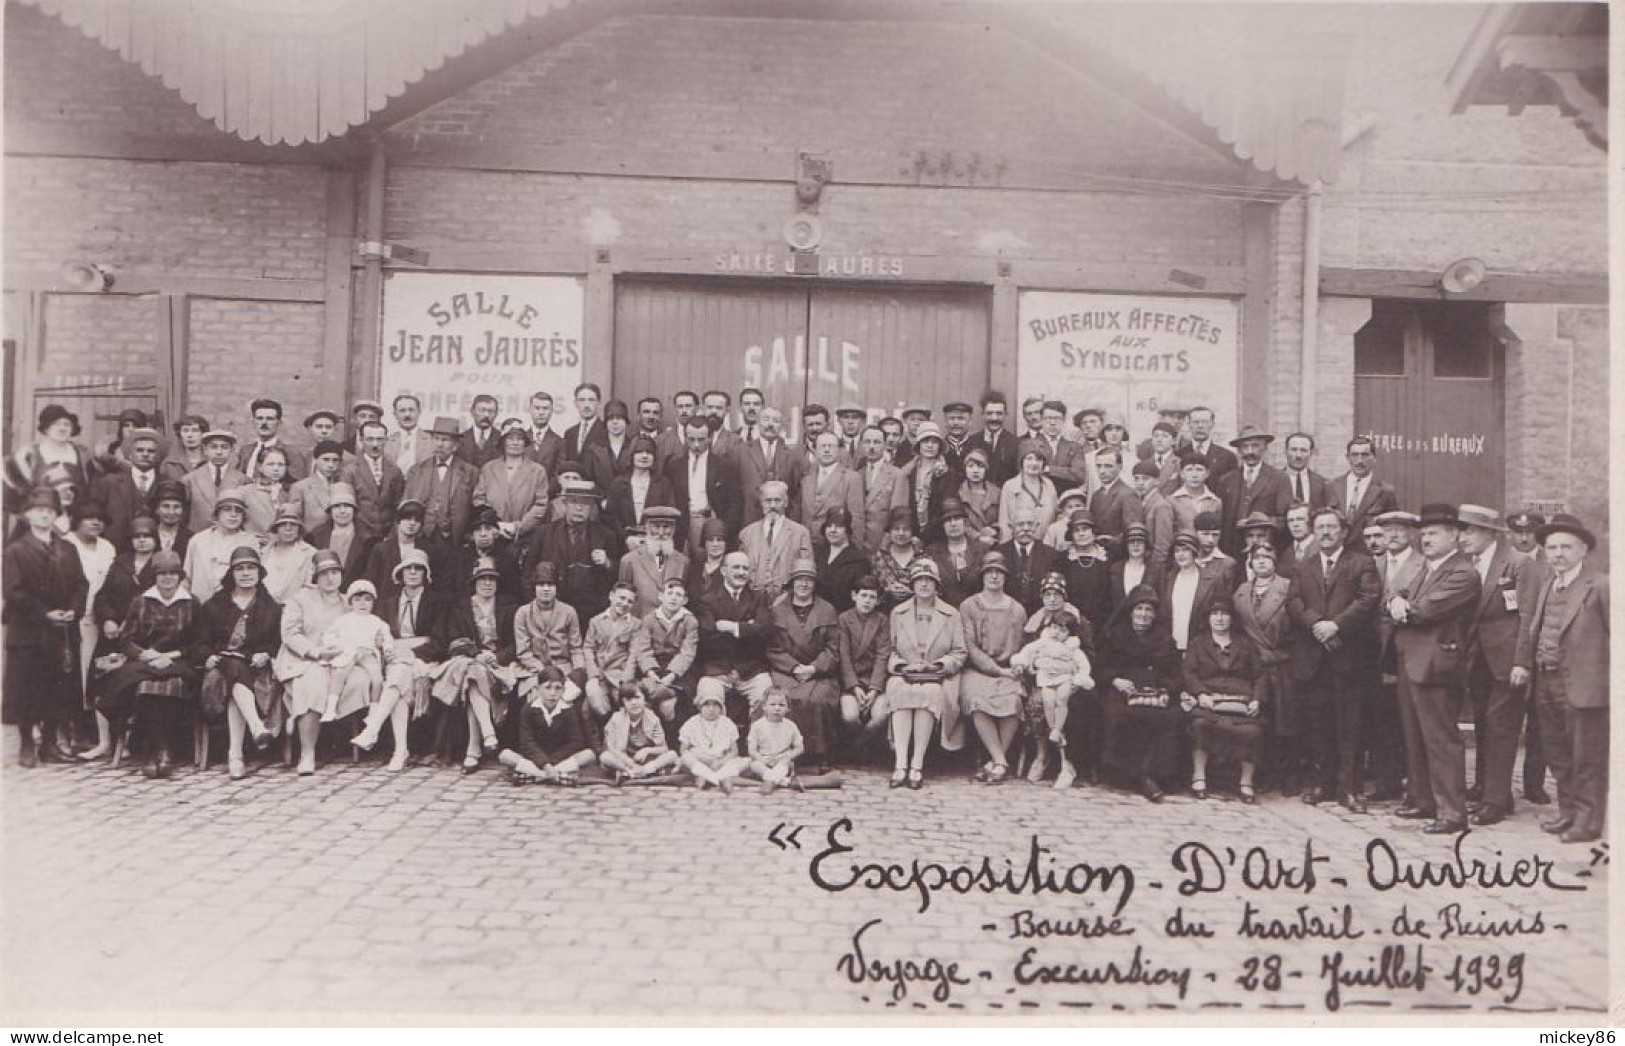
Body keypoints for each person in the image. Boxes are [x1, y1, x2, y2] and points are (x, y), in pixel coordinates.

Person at [1511, 513, 1608, 844]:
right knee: (1558, 754)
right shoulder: (1548, 584)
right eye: (1552, 548)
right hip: (1546, 681)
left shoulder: (1601, 586)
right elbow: (1535, 629)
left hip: (1584, 687)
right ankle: (1567, 812)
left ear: (1583, 549)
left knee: (1587, 757)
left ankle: (1588, 821)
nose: (1558, 554)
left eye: (1566, 547)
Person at [1455, 505, 1536, 826]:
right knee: (1484, 725)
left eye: (1469, 531)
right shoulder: (1468, 564)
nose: (1463, 537)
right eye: (1461, 531)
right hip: (1479, 662)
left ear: (1490, 533)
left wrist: (1521, 662)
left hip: (1507, 662)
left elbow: (1529, 616)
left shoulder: (1519, 564)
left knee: (1502, 728)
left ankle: (1496, 801)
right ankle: (1486, 786)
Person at [1297, 507, 1382, 814]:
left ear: (1343, 532)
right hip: (1315, 657)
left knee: (1351, 724)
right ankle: (1323, 783)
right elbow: (1295, 601)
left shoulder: (1361, 562)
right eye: (1320, 527)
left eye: (1332, 527)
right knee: (1319, 723)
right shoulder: (1305, 565)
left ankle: (1350, 788)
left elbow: (1367, 598)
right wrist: (1318, 625)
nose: (1326, 533)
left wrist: (1336, 626)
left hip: (1350, 656)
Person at [96, 548, 199, 779]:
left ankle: (156, 751)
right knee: (144, 685)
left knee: (165, 684)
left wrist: (169, 656)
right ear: (155, 576)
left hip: (178, 662)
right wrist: (145, 654)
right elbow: (126, 640)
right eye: (162, 573)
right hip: (144, 661)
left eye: (173, 573)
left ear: (180, 576)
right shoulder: (140, 602)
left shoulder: (192, 603)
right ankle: (161, 751)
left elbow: (199, 644)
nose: (167, 578)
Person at [4, 487, 88, 766]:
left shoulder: (68, 548)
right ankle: (27, 743)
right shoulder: (16, 550)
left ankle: (50, 743)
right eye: (39, 510)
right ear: (28, 515)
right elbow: (13, 592)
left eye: (50, 511)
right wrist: (44, 613)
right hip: (29, 630)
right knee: (25, 687)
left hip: (61, 630)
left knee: (58, 686)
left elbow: (80, 584)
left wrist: (73, 611)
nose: (44, 515)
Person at [1232, 544, 1313, 796]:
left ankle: (1288, 775)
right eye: (1257, 558)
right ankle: (1261, 773)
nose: (1262, 562)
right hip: (1254, 663)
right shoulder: (1242, 591)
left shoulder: (1287, 587)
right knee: (1258, 718)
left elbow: (1298, 626)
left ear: (1275, 561)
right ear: (1250, 563)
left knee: (1285, 722)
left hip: (1281, 662)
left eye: (1267, 557)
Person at [882, 558, 967, 789]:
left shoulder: (951, 614)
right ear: (912, 584)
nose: (924, 585)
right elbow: (889, 649)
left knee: (929, 694)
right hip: (905, 673)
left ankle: (917, 764)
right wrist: (901, 666)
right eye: (919, 579)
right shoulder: (898, 613)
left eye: (929, 580)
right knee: (898, 690)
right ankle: (900, 763)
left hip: (937, 676)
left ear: (937, 585)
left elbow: (960, 652)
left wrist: (938, 665)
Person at [352, 549, 438, 773]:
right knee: (398, 684)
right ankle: (400, 750)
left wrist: (411, 654)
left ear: (425, 574)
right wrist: (383, 645)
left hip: (422, 660)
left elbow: (441, 641)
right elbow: (374, 634)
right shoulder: (387, 604)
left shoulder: (436, 602)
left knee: (398, 676)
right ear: (399, 573)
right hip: (392, 661)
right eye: (408, 568)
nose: (412, 572)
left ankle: (375, 730)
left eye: (418, 568)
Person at [1096, 585, 1184, 802]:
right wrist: (1115, 680)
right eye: (1139, 609)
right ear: (1130, 611)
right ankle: (1126, 774)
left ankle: (1152, 774)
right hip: (1123, 689)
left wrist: (1166, 690)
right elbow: (1100, 667)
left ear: (1155, 614)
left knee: (1170, 718)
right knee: (1118, 714)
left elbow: (1175, 672)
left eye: (1148, 610)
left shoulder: (1164, 638)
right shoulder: (1114, 635)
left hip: (1156, 689)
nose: (1143, 615)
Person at [431, 563, 520, 774]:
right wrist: (476, 654)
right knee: (473, 672)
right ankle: (485, 735)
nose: (487, 584)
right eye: (482, 579)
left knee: (473, 682)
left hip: (499, 664)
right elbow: (455, 640)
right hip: (470, 661)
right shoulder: (462, 608)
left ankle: (475, 749)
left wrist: (496, 656)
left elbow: (517, 642)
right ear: (474, 583)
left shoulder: (508, 607)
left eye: (492, 579)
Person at [272, 549, 350, 775]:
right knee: (313, 680)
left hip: (338, 661)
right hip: (302, 660)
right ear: (315, 575)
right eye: (324, 572)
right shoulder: (299, 599)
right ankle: (307, 753)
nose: (330, 578)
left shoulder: (347, 602)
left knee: (361, 678)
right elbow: (289, 634)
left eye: (335, 572)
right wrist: (315, 653)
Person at [1182, 598, 1266, 803]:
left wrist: (1257, 700)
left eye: (1224, 614)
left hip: (1241, 703)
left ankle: (1246, 783)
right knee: (1201, 724)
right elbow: (1189, 673)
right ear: (1208, 618)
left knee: (1252, 731)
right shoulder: (1197, 643)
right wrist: (1200, 693)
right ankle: (1199, 777)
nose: (1219, 619)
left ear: (1232, 619)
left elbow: (1260, 675)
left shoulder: (1245, 644)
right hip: (1209, 702)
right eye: (1215, 614)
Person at [957, 551, 1029, 785]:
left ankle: (995, 763)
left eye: (999, 572)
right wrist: (996, 670)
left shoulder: (1017, 610)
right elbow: (970, 647)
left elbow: (1021, 647)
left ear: (1005, 577)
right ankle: (1001, 761)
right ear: (983, 575)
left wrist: (1014, 668)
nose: (994, 577)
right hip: (977, 670)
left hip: (1008, 670)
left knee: (1013, 700)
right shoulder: (969, 606)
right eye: (990, 572)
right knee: (978, 701)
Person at [765, 558, 840, 770]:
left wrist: (814, 668)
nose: (804, 584)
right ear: (792, 583)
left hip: (819, 673)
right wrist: (794, 667)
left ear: (815, 584)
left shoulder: (827, 610)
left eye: (808, 580)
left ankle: (820, 754)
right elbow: (773, 648)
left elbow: (833, 649)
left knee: (819, 700)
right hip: (787, 671)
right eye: (799, 579)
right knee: (784, 698)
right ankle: (783, 753)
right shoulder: (778, 610)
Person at [1011, 608, 1094, 790]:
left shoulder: (1075, 625)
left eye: (1056, 594)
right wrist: (1027, 664)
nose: (1052, 599)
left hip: (1069, 682)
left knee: (1069, 705)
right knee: (1038, 702)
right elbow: (1028, 653)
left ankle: (1067, 764)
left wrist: (1078, 679)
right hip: (1045, 681)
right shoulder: (1039, 626)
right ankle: (1042, 754)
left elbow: (1086, 661)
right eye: (1047, 594)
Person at [693, 551, 775, 732]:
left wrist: (731, 627)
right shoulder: (707, 600)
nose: (741, 572)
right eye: (736, 567)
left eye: (746, 568)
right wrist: (748, 628)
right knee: (708, 696)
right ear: (723, 571)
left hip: (751, 669)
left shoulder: (759, 598)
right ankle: (717, 749)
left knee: (766, 696)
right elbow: (708, 639)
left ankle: (761, 749)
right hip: (718, 668)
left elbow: (765, 631)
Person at [526, 477, 619, 626]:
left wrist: (608, 563)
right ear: (564, 504)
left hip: (592, 614)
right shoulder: (544, 533)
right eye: (574, 502)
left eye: (585, 503)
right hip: (553, 613)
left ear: (592, 507)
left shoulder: (606, 535)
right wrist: (540, 608)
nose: (579, 508)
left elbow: (618, 576)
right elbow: (528, 573)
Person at [65, 501, 117, 756]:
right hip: (71, 618)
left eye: (100, 518)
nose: (95, 522)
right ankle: (66, 734)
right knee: (71, 674)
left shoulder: (107, 547)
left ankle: (92, 733)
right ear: (77, 520)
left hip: (99, 619)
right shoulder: (66, 544)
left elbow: (110, 586)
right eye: (89, 518)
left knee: (92, 674)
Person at [317, 580, 398, 727]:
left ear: (373, 603)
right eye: (357, 599)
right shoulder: (344, 620)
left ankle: (373, 712)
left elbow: (387, 637)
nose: (362, 604)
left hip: (367, 653)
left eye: (367, 600)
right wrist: (334, 645)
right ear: (350, 603)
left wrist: (387, 648)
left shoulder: (377, 622)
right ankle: (331, 708)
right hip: (349, 651)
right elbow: (329, 634)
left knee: (377, 679)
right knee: (339, 673)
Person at [501, 666, 596, 786]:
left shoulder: (568, 711)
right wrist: (544, 764)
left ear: (563, 690)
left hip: (560, 759)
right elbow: (527, 742)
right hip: (535, 759)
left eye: (558, 688)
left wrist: (551, 763)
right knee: (505, 755)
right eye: (547, 688)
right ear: (538, 688)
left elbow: (575, 742)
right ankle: (554, 776)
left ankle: (536, 776)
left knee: (589, 755)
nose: (553, 693)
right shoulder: (528, 710)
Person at [666, 418, 742, 553]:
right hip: (683, 523)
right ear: (685, 437)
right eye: (691, 439)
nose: (696, 445)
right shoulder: (674, 465)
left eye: (701, 439)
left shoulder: (724, 465)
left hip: (711, 521)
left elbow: (735, 502)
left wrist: (724, 528)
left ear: (710, 438)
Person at [402, 417, 480, 547]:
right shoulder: (417, 471)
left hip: (455, 540)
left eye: (445, 440)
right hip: (422, 537)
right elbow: (405, 506)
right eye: (436, 439)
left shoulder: (470, 472)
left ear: (455, 445)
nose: (439, 444)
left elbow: (475, 508)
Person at [629, 577, 698, 724]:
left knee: (668, 705)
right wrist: (650, 672)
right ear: (661, 597)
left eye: (678, 595)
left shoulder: (689, 621)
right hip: (655, 665)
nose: (673, 598)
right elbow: (644, 649)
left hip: (678, 671)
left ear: (684, 600)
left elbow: (687, 653)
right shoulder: (649, 619)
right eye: (670, 593)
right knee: (646, 698)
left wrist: (671, 676)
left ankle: (672, 740)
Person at [836, 574, 892, 756]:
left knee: (881, 716)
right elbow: (843, 656)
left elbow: (882, 656)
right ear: (854, 596)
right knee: (850, 717)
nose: (867, 601)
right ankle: (861, 748)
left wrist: (874, 689)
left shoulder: (882, 621)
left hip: (876, 682)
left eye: (872, 597)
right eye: (863, 595)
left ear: (878, 600)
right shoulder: (844, 619)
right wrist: (854, 687)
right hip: (851, 683)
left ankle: (855, 748)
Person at [472, 420, 550, 546]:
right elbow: (479, 499)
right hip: (494, 536)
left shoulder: (537, 471)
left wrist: (519, 526)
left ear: (525, 443)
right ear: (503, 442)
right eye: (510, 438)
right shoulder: (489, 468)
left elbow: (541, 504)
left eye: (519, 438)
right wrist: (495, 524)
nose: (515, 442)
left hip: (525, 538)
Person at [1216, 425, 1290, 557]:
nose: (1250, 451)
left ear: (1265, 447)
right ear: (1239, 450)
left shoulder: (1279, 478)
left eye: (1255, 446)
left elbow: (1284, 519)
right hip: (1232, 551)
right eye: (1245, 447)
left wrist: (1258, 521)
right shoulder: (1226, 480)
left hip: (1265, 551)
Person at [5, 406, 94, 511]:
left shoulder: (83, 455)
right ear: (46, 429)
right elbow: (12, 493)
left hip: (75, 518)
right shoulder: (27, 455)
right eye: (56, 424)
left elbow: (92, 490)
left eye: (67, 424)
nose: (62, 428)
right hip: (37, 518)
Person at [91, 426, 166, 549]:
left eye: (151, 451)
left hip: (153, 551)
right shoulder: (109, 482)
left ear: (158, 456)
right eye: (139, 450)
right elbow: (96, 516)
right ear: (130, 455)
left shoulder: (165, 483)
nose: (145, 454)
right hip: (115, 549)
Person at [738, 479, 813, 600]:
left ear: (786, 502)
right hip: (753, 601)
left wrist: (788, 595)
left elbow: (806, 573)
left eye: (777, 500)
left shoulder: (800, 533)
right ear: (761, 503)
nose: (772, 505)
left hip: (787, 601)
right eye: (768, 501)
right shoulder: (747, 534)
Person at [582, 581, 642, 720]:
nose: (625, 603)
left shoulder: (635, 625)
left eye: (630, 601)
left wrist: (626, 679)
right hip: (599, 674)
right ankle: (598, 738)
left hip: (619, 675)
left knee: (626, 705)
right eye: (621, 598)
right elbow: (588, 648)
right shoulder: (596, 621)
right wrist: (593, 674)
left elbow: (634, 654)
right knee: (590, 706)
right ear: (611, 596)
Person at [183, 488, 255, 603]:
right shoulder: (198, 540)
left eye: (238, 511)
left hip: (234, 607)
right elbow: (187, 579)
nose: (233, 515)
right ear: (217, 513)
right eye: (227, 509)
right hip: (200, 607)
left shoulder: (249, 542)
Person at [1327, 437, 1398, 549]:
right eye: (1354, 455)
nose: (1359, 461)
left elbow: (1392, 527)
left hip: (1368, 554)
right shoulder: (1332, 486)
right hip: (1336, 552)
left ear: (1374, 458)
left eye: (1365, 455)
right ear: (1347, 458)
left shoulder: (1385, 491)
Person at [600, 682, 678, 783]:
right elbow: (612, 748)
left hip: (646, 760)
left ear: (644, 700)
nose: (634, 703)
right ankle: (630, 771)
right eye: (628, 700)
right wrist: (631, 764)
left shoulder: (653, 719)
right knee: (605, 757)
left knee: (672, 755)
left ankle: (640, 772)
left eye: (637, 697)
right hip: (624, 759)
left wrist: (647, 750)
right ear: (623, 703)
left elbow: (663, 748)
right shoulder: (616, 719)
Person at [619, 505, 688, 615]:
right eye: (656, 527)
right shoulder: (629, 560)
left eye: (666, 527)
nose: (661, 533)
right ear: (647, 527)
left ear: (674, 529)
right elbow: (623, 598)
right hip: (640, 627)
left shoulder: (683, 562)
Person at [604, 434, 674, 541]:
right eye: (639, 452)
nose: (644, 456)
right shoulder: (618, 484)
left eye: (649, 452)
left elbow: (668, 515)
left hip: (654, 541)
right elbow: (610, 517)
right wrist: (626, 537)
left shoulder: (663, 484)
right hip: (621, 543)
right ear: (632, 455)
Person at [896, 421, 958, 538]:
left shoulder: (948, 473)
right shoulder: (909, 472)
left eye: (934, 442)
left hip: (938, 534)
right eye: (925, 441)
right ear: (919, 445)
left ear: (939, 445)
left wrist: (927, 535)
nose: (930, 445)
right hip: (911, 533)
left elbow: (946, 507)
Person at [179, 429, 249, 534]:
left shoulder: (243, 480)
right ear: (205, 450)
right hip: (198, 537)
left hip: (231, 537)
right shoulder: (190, 479)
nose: (219, 452)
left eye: (224, 447)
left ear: (232, 450)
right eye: (214, 447)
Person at [1160, 534, 1220, 654]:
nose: (1181, 554)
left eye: (1185, 550)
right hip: (1170, 646)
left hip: (1199, 646)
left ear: (1194, 552)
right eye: (1177, 551)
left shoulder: (1211, 580)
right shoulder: (1167, 579)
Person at [679, 689, 747, 792]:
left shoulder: (727, 723)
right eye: (706, 705)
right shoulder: (691, 723)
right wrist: (702, 760)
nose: (711, 709)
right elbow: (683, 750)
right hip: (699, 760)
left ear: (721, 707)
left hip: (720, 761)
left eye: (715, 705)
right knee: (685, 758)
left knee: (745, 761)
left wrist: (721, 762)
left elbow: (734, 751)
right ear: (700, 707)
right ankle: (718, 779)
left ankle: (708, 778)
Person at [307, 483, 371, 587]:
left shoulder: (369, 538)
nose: (342, 511)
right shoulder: (315, 536)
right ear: (330, 511)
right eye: (337, 506)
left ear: (354, 509)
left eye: (347, 506)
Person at [924, 498, 984, 607]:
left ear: (965, 522)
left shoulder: (981, 550)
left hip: (976, 612)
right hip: (944, 612)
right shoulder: (932, 552)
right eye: (948, 520)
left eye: (957, 518)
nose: (953, 524)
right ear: (942, 525)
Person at [856, 426, 906, 551]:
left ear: (884, 445)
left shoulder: (896, 475)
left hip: (883, 545)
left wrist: (887, 543)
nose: (872, 447)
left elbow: (898, 516)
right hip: (857, 544)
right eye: (867, 442)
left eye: (877, 442)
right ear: (861, 444)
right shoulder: (856, 474)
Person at [747, 688, 806, 792]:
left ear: (788, 709)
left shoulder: (791, 725)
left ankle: (769, 781)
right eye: (773, 704)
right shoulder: (757, 726)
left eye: (781, 705)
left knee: (786, 763)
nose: (777, 708)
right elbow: (752, 749)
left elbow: (799, 747)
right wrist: (762, 759)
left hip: (781, 759)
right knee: (755, 765)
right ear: (764, 706)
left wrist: (789, 755)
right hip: (764, 759)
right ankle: (783, 781)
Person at [238, 398, 310, 482]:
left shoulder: (292, 454)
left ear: (279, 423)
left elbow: (296, 486)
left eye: (270, 419)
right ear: (253, 422)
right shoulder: (245, 451)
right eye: (260, 418)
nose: (264, 423)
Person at [999, 447, 1058, 544]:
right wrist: (1008, 548)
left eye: (1039, 459)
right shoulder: (1010, 485)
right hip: (1019, 544)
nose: (1034, 463)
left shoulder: (1049, 484)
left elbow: (1055, 514)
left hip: (1046, 544)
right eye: (1029, 458)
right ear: (1022, 462)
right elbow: (1004, 520)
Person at [261, 506, 319, 605]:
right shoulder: (264, 552)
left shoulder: (309, 553)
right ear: (276, 528)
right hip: (265, 607)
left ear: (299, 528)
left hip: (294, 608)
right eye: (283, 524)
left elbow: (310, 589)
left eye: (293, 524)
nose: (288, 528)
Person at [872, 505, 923, 610]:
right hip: (885, 613)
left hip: (917, 613)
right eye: (896, 529)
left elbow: (935, 591)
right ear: (889, 531)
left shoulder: (923, 557)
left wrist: (913, 592)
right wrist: (888, 592)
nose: (901, 533)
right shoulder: (879, 557)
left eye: (906, 529)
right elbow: (871, 590)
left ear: (912, 531)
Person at [1109, 524, 1164, 617]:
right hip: (1119, 624)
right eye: (1131, 542)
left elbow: (1161, 602)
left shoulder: (1157, 570)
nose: (1135, 545)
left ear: (1146, 545)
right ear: (1126, 545)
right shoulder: (1115, 569)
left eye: (1140, 542)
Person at [965, 392, 1018, 488]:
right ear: (982, 414)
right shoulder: (971, 441)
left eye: (999, 413)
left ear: (1005, 414)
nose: (994, 418)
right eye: (989, 413)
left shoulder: (1015, 443)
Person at [1129, 460, 1175, 566]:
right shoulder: (1140, 501)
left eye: (1145, 479)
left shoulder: (1161, 505)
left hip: (1153, 564)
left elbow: (1163, 545)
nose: (1140, 483)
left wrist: (1154, 568)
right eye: (1136, 478)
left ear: (1157, 481)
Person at [241, 446, 291, 536]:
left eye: (281, 464)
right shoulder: (245, 492)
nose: (276, 469)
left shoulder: (290, 493)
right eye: (270, 464)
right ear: (260, 467)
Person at [1280, 432, 1331, 511]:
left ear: (1311, 453)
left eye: (1303, 450)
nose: (1298, 455)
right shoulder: (1274, 481)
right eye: (1294, 449)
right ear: (1286, 451)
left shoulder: (1323, 484)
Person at [386, 393, 434, 473]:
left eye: (411, 410)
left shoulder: (431, 440)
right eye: (402, 411)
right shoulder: (386, 441)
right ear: (395, 414)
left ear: (419, 412)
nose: (407, 415)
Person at [455, 394, 503, 469]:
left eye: (491, 411)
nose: (486, 415)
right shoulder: (460, 439)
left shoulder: (502, 439)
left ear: (496, 414)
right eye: (482, 410)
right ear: (472, 412)